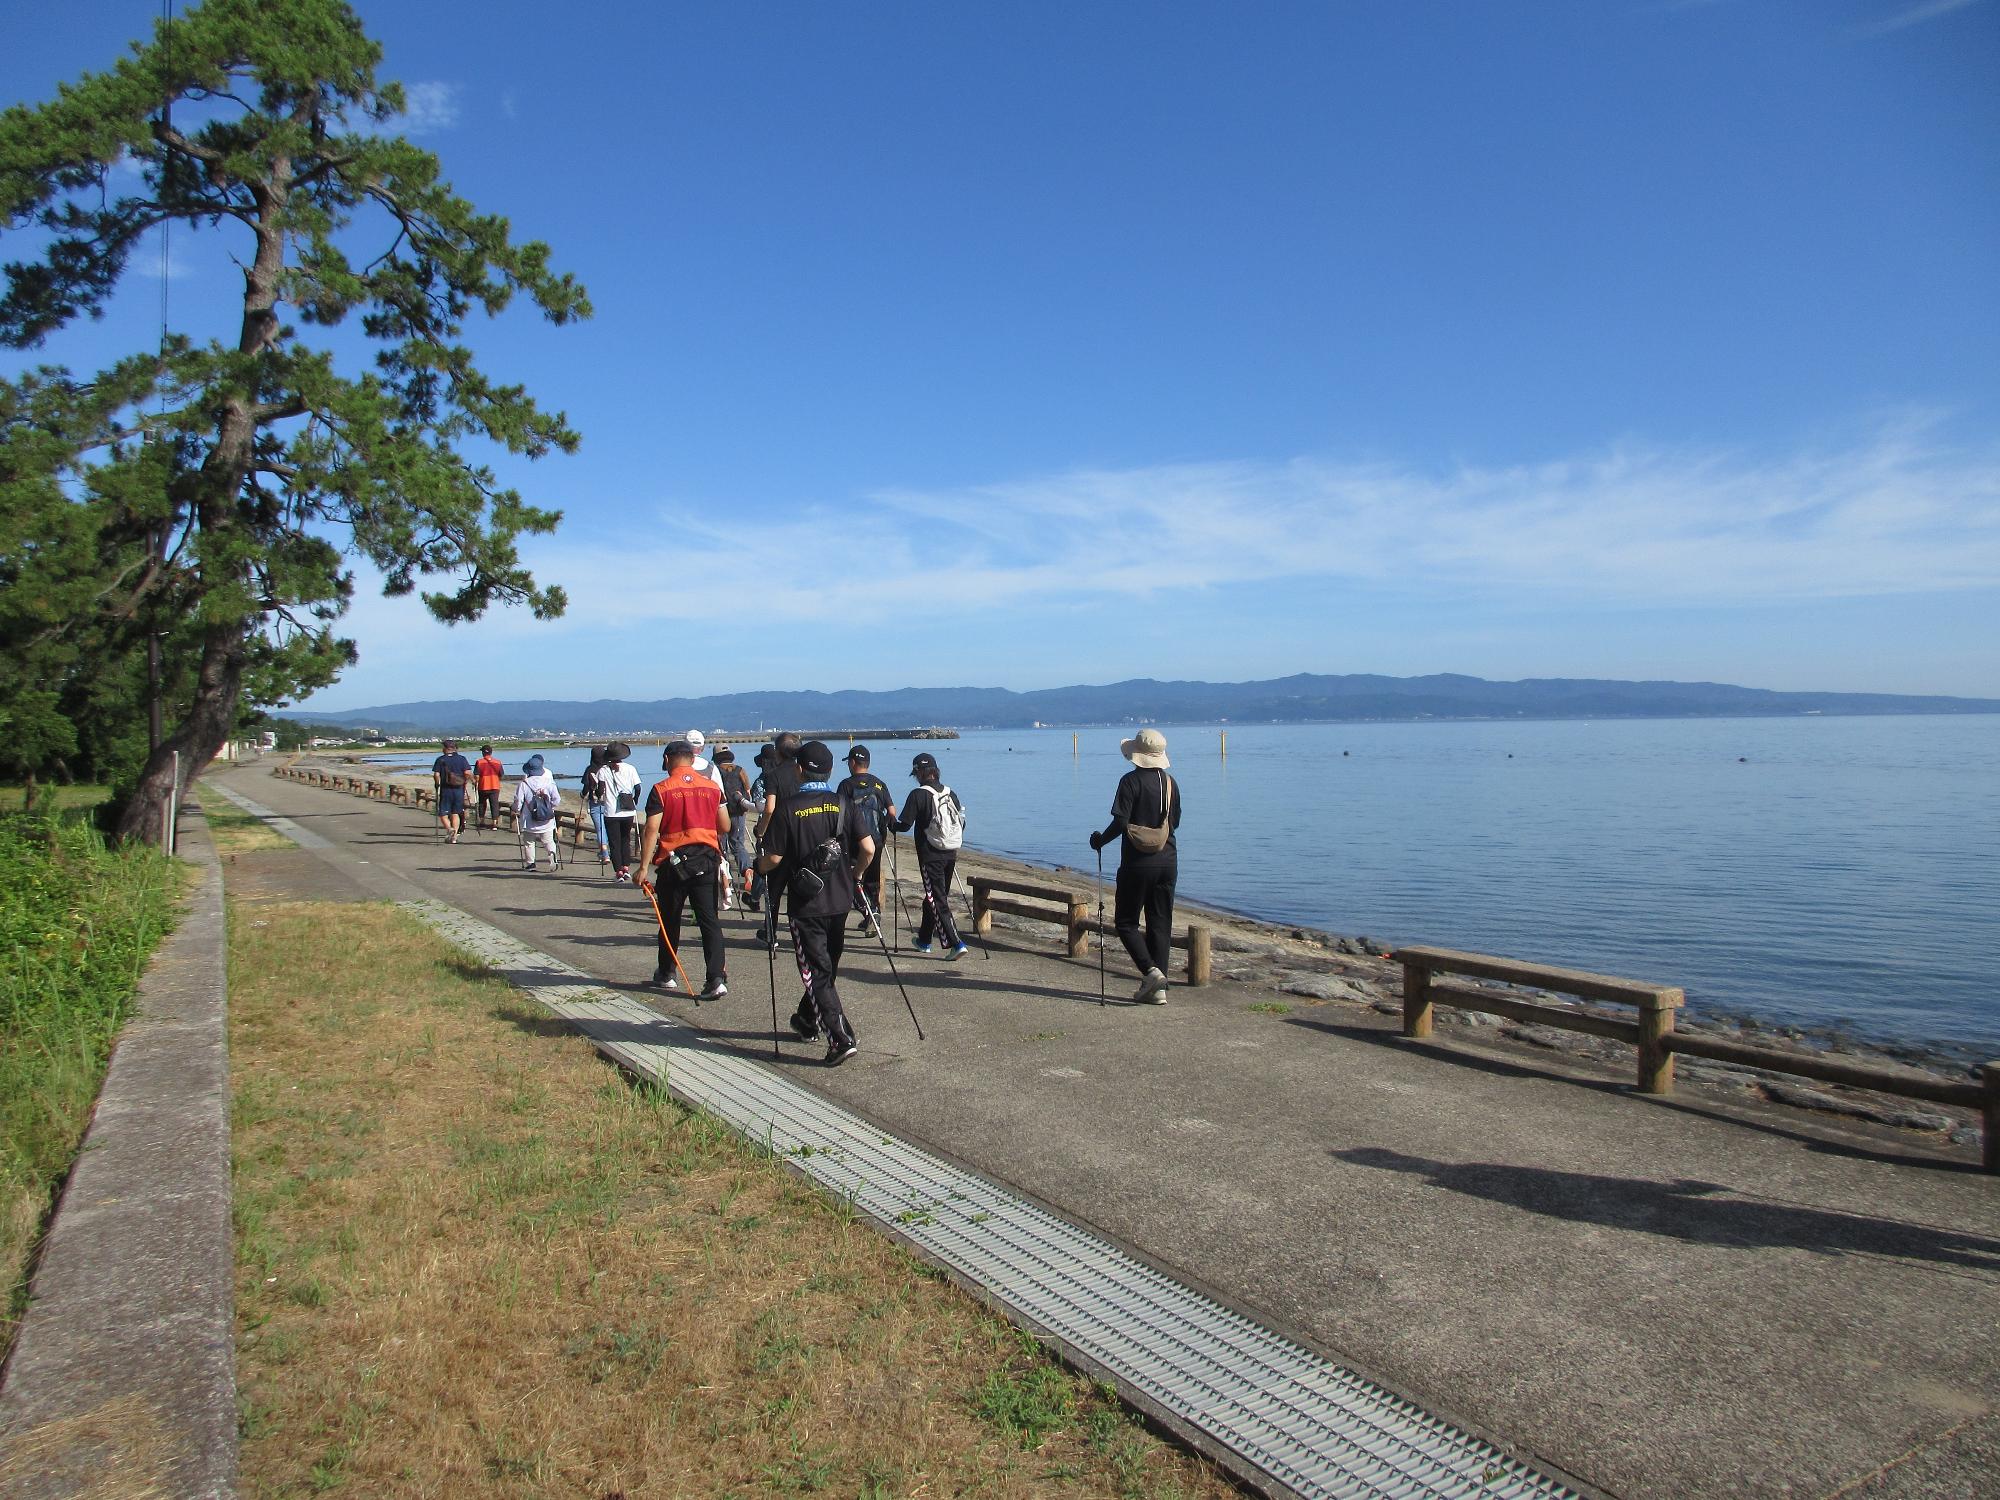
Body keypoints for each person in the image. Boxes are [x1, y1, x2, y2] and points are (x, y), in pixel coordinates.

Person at [755, 740, 873, 1065]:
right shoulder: (843, 804)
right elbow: (868, 848)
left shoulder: (789, 807)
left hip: (807, 904)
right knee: (828, 967)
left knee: (815, 972)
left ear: (799, 769)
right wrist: (856, 875)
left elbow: (774, 857)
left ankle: (839, 1036)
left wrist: (758, 865)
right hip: (840, 900)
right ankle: (808, 1019)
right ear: (831, 769)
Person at [1089, 728, 1181, 1002]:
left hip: (1137, 863)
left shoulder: (1130, 782)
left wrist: (1099, 841)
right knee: (1160, 924)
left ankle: (1151, 972)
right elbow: (1174, 821)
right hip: (1168, 860)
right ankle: (1158, 991)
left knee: (1126, 922)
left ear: (1136, 754)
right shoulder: (1170, 783)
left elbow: (1120, 822)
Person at [635, 740, 731, 1000]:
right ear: (692, 759)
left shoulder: (662, 789)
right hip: (706, 860)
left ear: (667, 760)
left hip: (673, 863)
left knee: (670, 919)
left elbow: (651, 829)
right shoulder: (711, 787)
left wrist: (643, 867)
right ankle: (716, 978)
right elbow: (725, 825)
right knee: (709, 920)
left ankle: (667, 973)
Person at [892, 751, 967, 958]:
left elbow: (904, 825)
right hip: (950, 852)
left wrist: (888, 823)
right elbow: (961, 823)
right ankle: (924, 940)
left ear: (919, 773)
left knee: (937, 899)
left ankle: (956, 943)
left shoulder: (918, 794)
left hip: (929, 855)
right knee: (933, 897)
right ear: (935, 771)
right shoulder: (950, 793)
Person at [835, 745, 897, 938]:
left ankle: (869, 911)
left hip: (855, 841)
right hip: (877, 839)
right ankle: (874, 911)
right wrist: (883, 827)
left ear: (853, 763)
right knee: (872, 878)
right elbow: (892, 812)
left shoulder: (845, 785)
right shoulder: (879, 784)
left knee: (852, 877)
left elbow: (841, 815)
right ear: (867, 763)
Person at [752, 733, 803, 944]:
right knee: (800, 889)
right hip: (802, 835)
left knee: (773, 889)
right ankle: (801, 933)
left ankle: (770, 932)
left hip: (778, 837)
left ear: (778, 751)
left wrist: (761, 830)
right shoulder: (803, 772)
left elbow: (770, 808)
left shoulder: (773, 775)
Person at [713, 747, 755, 911]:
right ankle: (747, 871)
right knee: (738, 843)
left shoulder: (715, 770)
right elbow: (748, 792)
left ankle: (725, 877)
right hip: (738, 812)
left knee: (721, 846)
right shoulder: (740, 770)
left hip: (721, 812)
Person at [598, 741, 642, 881]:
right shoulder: (630, 768)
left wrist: (598, 794)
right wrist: (635, 800)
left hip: (611, 812)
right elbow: (638, 788)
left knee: (614, 842)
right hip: (628, 810)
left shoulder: (603, 770)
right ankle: (626, 868)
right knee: (626, 839)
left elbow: (600, 791)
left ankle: (618, 872)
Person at [513, 753, 563, 871]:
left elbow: (518, 802)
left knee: (529, 842)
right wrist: (549, 806)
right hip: (546, 818)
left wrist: (515, 809)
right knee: (548, 840)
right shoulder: (549, 782)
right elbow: (557, 800)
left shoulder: (524, 784)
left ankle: (531, 863)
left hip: (529, 818)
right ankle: (552, 857)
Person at [431, 738, 470, 842]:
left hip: (446, 789)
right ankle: (454, 837)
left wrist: (437, 783)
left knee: (443, 813)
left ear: (445, 748)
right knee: (455, 813)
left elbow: (436, 774)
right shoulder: (462, 759)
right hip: (459, 790)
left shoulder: (440, 759)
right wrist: (468, 781)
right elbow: (467, 772)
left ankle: (450, 829)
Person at [580, 744, 612, 869]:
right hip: (609, 802)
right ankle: (607, 850)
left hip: (595, 802)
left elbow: (586, 787)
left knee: (600, 828)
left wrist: (583, 795)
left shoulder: (590, 769)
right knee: (608, 827)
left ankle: (604, 852)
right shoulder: (608, 768)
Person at [473, 743, 504, 831]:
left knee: (482, 804)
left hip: (483, 785)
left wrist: (475, 783)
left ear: (483, 753)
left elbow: (477, 775)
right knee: (494, 804)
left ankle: (482, 821)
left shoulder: (479, 762)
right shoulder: (497, 762)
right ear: (491, 752)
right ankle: (494, 823)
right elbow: (501, 774)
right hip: (495, 785)